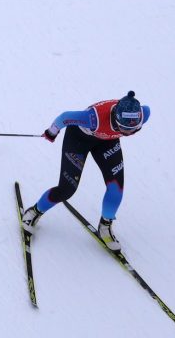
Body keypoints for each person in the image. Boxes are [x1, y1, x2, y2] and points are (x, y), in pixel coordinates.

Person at [20, 91, 151, 251]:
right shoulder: (92, 117)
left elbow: (142, 114)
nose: (129, 133)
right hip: (78, 140)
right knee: (67, 189)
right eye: (124, 129)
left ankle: (105, 226)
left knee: (116, 188)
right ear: (116, 119)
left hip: (107, 142)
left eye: (135, 129)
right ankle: (34, 211)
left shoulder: (143, 113)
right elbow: (64, 117)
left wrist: (123, 130)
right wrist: (52, 132)